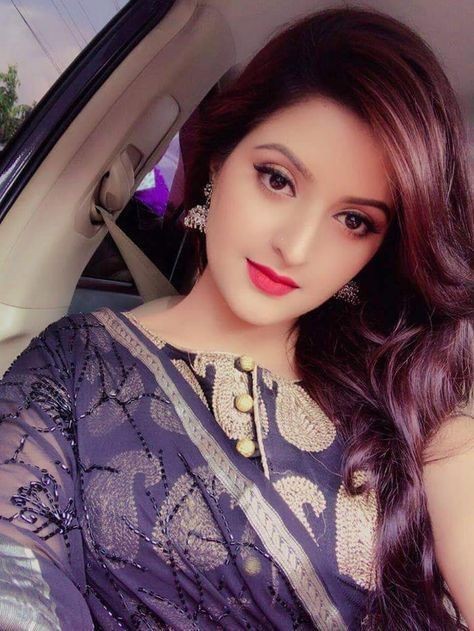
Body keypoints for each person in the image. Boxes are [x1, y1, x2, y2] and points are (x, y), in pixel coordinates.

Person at [0, 6, 472, 630]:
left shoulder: (413, 397)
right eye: (277, 179)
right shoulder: (74, 366)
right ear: (220, 160)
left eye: (353, 220)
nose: (296, 248)